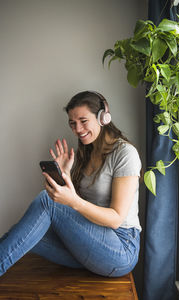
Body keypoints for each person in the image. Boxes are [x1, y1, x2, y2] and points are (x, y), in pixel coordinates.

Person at [0, 91, 142, 277]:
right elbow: (77, 212)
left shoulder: (125, 154)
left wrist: (72, 200)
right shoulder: (85, 153)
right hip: (92, 245)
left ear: (103, 117)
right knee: (18, 234)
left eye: (83, 121)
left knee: (47, 201)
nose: (78, 129)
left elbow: (116, 218)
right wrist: (65, 176)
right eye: (72, 123)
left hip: (121, 250)